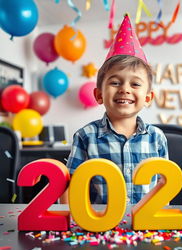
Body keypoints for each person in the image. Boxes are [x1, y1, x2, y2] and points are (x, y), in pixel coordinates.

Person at [60, 14, 168, 204]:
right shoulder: (85, 136)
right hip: (99, 227)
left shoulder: (157, 138)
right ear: (99, 95)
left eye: (135, 84)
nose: (124, 89)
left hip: (147, 228)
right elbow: (70, 188)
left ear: (148, 98)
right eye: (115, 82)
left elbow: (164, 186)